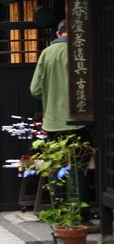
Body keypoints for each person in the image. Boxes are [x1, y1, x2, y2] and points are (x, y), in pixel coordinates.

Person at [30, 19, 91, 222]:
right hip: (79, 121)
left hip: (53, 122)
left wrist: (51, 97)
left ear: (58, 34)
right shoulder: (81, 52)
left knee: (56, 164)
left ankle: (59, 208)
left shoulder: (46, 53)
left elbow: (35, 89)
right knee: (77, 167)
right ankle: (80, 214)